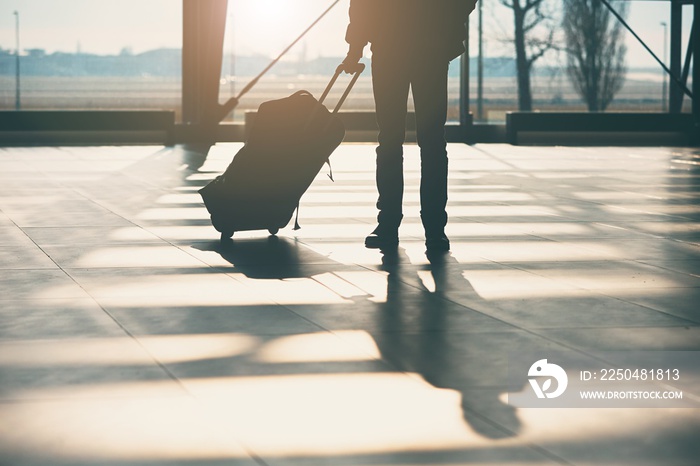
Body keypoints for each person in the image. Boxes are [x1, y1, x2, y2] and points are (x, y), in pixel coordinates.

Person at [341, 0, 477, 252]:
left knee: (390, 140)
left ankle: (389, 224)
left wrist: (355, 48)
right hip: (431, 47)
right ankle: (434, 228)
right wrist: (447, 23)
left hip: (391, 47)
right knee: (432, 141)